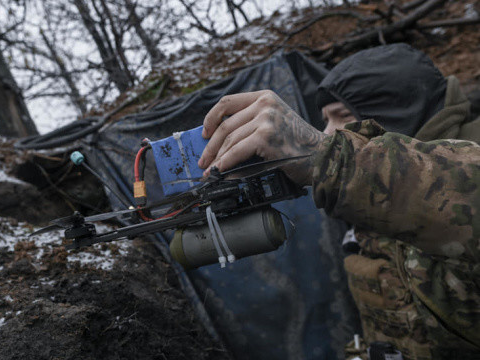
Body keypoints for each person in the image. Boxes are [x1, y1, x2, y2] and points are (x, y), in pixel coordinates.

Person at [198, 44, 480, 359]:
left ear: (397, 111)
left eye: (341, 117)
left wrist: (329, 159)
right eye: (325, 120)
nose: (328, 132)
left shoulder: (461, 166)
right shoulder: (365, 202)